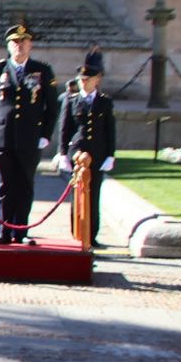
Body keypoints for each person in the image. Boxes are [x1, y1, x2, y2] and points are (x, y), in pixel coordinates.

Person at [0, 24, 59, 245]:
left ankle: (21, 230)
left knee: (25, 184)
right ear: (8, 46)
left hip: (29, 135)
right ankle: (5, 230)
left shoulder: (42, 70)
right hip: (3, 134)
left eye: (24, 42)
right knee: (5, 185)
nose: (20, 46)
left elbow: (51, 106)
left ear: (30, 44)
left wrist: (45, 133)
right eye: (15, 42)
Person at [58, 62, 116, 247]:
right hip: (77, 152)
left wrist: (110, 155)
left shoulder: (104, 101)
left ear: (97, 80)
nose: (83, 82)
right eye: (81, 79)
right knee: (77, 194)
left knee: (94, 193)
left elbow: (110, 130)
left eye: (87, 79)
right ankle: (78, 232)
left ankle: (92, 234)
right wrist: (63, 153)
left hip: (97, 153)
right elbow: (65, 128)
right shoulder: (72, 100)